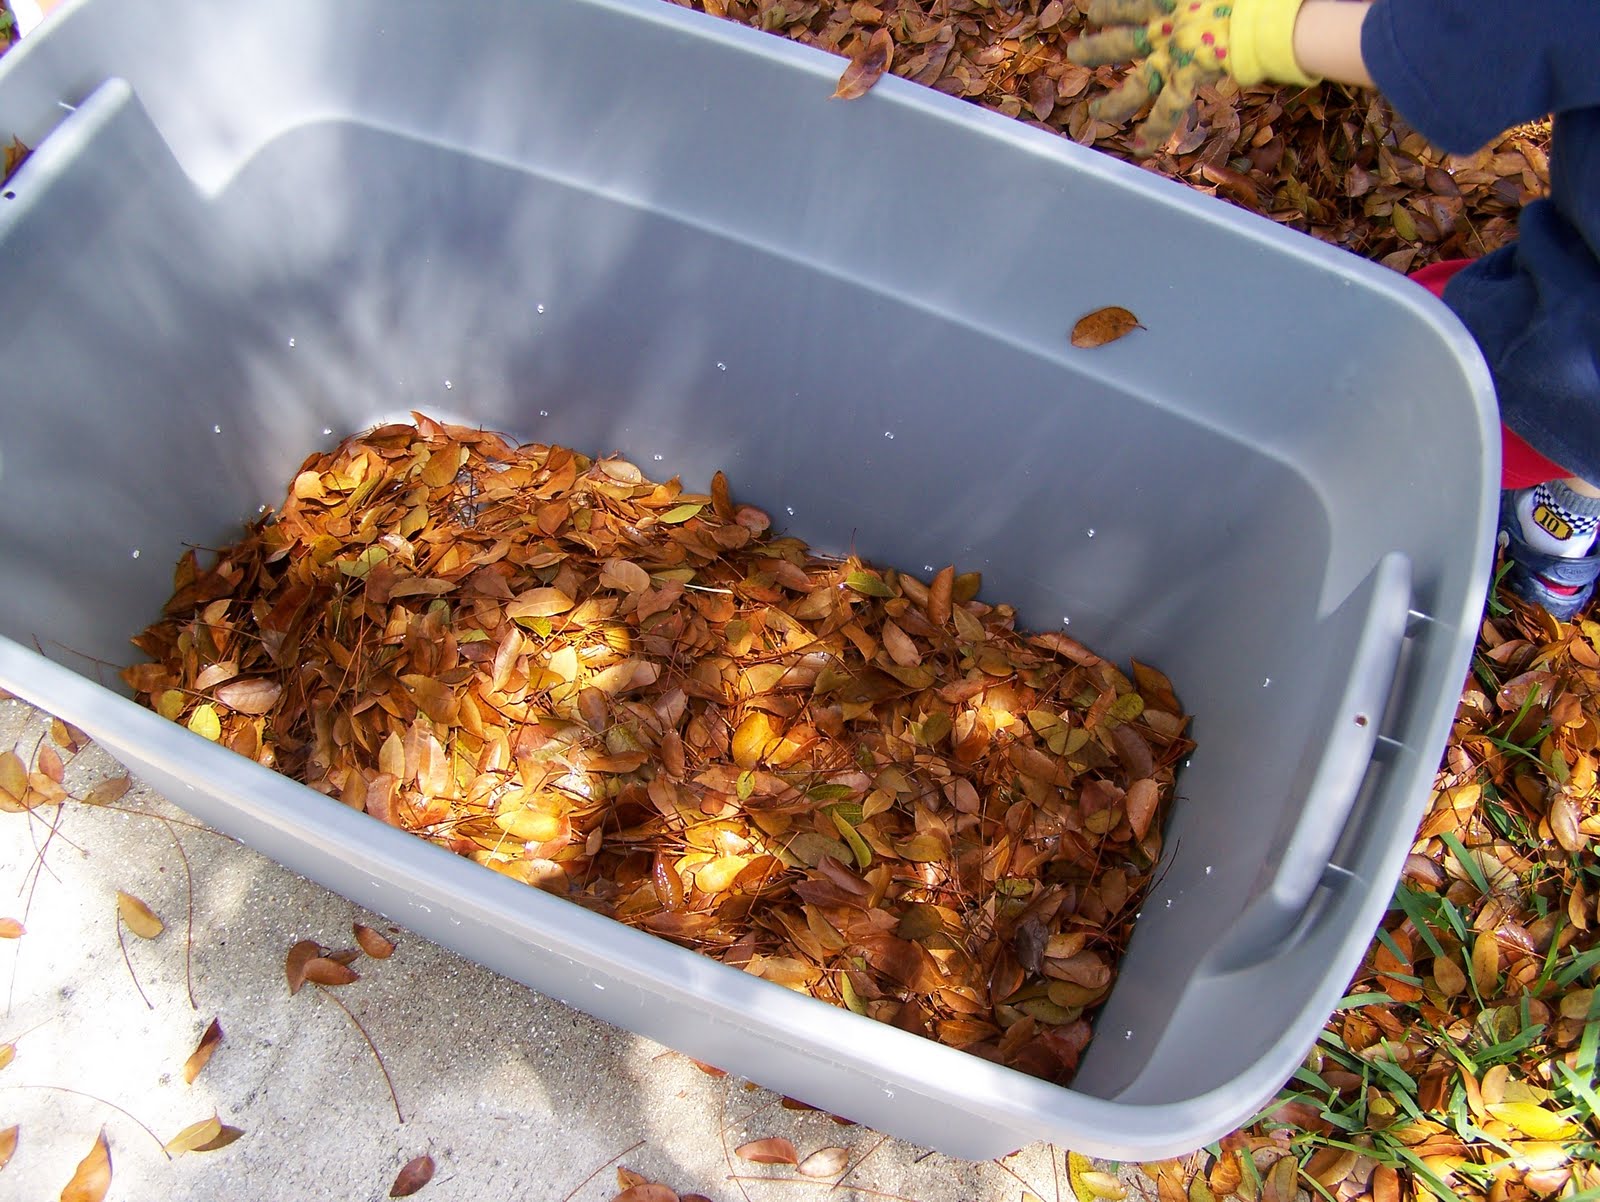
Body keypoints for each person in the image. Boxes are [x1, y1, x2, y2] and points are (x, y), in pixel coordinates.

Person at [1067, 0, 1600, 619]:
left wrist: (1256, 30)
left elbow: (1492, 36)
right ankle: (1564, 525)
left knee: (1414, 387)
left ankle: (1260, 551)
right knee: (1576, 443)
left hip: (1559, 347)